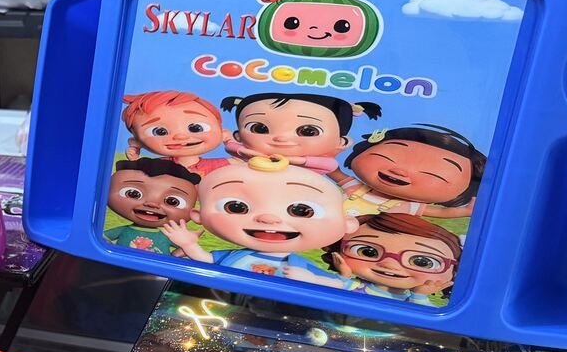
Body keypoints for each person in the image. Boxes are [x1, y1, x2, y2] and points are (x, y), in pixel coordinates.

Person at [162, 155, 354, 286]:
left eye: (302, 211)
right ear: (198, 215)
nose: (268, 219)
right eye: (236, 207)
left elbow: (339, 284)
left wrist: (313, 279)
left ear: (347, 224)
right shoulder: (233, 255)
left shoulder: (299, 264)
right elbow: (206, 259)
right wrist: (188, 244)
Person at [334, 124, 486, 219]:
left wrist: (466, 211)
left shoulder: (406, 206)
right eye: (392, 154)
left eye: (432, 172)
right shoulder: (355, 188)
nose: (399, 171)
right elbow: (334, 171)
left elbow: (440, 213)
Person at [220, 92, 381, 173]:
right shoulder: (247, 154)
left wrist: (294, 160)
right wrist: (243, 149)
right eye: (259, 128)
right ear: (238, 135)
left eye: (308, 131)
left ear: (341, 142)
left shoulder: (319, 163)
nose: (281, 138)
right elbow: (232, 147)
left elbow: (330, 165)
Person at [321, 213, 462, 303]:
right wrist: (343, 276)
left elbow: (423, 318)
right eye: (367, 252)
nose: (389, 265)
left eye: (422, 262)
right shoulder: (354, 285)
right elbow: (330, 290)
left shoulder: (411, 300)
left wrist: (419, 295)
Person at [120, 90, 229, 177]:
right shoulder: (158, 166)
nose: (180, 136)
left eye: (196, 128)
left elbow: (239, 163)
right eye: (160, 131)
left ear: (222, 132)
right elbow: (139, 174)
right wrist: (134, 159)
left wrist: (230, 142)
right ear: (136, 141)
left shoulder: (218, 165)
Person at [104, 158, 200, 255]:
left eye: (172, 202)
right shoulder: (124, 230)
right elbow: (103, 238)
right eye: (133, 194)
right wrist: (112, 252)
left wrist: (182, 250)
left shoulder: (167, 236)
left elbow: (186, 249)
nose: (152, 204)